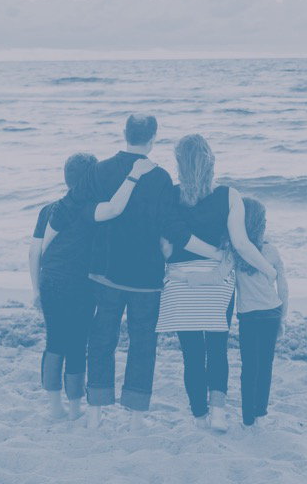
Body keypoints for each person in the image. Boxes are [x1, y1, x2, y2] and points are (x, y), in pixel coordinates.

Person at [43, 115, 223, 430]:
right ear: (153, 138)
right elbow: (174, 229)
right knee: (142, 345)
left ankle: (96, 413)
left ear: (124, 134)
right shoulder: (161, 178)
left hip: (105, 274)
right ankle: (137, 418)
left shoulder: (100, 170)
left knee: (101, 340)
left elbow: (67, 207)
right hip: (146, 279)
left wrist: (45, 247)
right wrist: (215, 253)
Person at [155, 135, 278, 432]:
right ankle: (218, 413)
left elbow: (166, 248)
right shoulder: (229, 195)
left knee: (192, 353)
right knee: (218, 347)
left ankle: (199, 416)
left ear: (180, 164)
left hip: (180, 281)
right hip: (218, 280)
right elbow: (241, 244)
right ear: (211, 162)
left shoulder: (170, 196)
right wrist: (268, 270)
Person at [29, 152, 155, 421]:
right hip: (80, 286)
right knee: (76, 345)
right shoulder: (90, 209)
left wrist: (36, 288)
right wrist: (134, 176)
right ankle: (75, 408)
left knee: (54, 342)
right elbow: (114, 209)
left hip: (50, 281)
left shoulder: (49, 209)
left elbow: (34, 252)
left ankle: (54, 407)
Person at [234, 198, 288, 428]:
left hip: (248, 315)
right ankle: (260, 415)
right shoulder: (271, 250)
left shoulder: (236, 252)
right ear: (261, 224)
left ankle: (247, 417)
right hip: (271, 313)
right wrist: (283, 317)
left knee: (249, 366)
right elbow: (283, 287)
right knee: (266, 364)